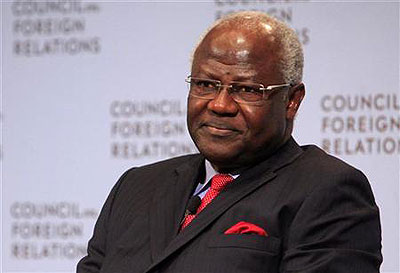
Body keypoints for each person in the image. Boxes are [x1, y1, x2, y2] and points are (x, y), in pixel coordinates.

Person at [77, 11, 382, 273]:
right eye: (206, 85)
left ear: (291, 100)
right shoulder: (136, 186)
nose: (220, 105)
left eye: (247, 89)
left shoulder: (329, 191)